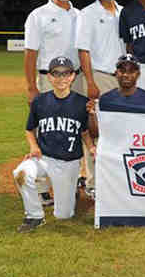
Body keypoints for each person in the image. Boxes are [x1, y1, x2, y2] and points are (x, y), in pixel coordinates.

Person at [12, 57, 95, 233]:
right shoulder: (40, 101)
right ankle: (34, 216)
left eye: (66, 73)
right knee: (20, 173)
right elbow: (29, 130)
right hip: (44, 158)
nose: (61, 78)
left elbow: (85, 132)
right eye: (56, 73)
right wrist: (34, 147)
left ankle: (70, 190)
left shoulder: (81, 103)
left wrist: (92, 148)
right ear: (49, 77)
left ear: (73, 76)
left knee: (63, 215)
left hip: (68, 163)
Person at [23, 0, 83, 206]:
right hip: (49, 79)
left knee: (75, 127)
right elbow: (30, 54)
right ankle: (42, 186)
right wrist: (30, 86)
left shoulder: (80, 16)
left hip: (76, 78)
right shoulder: (38, 15)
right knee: (44, 128)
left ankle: (77, 178)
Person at [75, 0, 125, 198]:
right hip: (99, 75)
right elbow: (83, 50)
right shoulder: (88, 13)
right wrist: (90, 81)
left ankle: (115, 178)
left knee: (117, 131)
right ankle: (93, 183)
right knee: (95, 131)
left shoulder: (123, 12)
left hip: (122, 78)